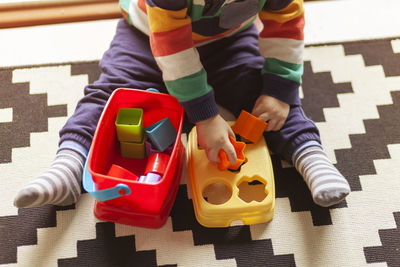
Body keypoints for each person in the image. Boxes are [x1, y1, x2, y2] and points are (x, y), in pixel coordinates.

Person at [14, 0, 350, 209]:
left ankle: (311, 157)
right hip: (147, 37)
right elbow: (172, 48)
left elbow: (286, 25)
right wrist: (205, 116)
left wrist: (280, 90)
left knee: (267, 97)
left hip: (228, 40)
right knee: (112, 94)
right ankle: (69, 165)